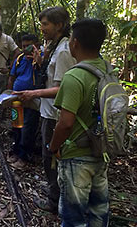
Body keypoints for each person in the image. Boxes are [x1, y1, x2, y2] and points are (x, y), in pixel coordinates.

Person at [16, 7, 76, 213]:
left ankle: (54, 200)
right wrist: (42, 61)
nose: (41, 28)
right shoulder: (54, 47)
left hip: (56, 115)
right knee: (49, 156)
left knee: (51, 156)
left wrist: (34, 94)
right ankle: (54, 190)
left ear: (59, 25)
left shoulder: (64, 50)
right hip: (48, 110)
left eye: (45, 24)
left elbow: (63, 88)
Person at [49, 18, 109, 226]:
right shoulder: (107, 69)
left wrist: (54, 146)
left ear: (75, 43)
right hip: (101, 149)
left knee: (73, 216)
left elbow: (65, 123)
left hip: (77, 155)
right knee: (99, 210)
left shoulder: (75, 76)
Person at [7, 34, 41, 168]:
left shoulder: (41, 58)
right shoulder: (19, 59)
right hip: (16, 99)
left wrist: (39, 62)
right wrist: (8, 95)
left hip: (32, 99)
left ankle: (24, 156)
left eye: (29, 46)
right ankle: (16, 151)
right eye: (23, 46)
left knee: (28, 127)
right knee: (17, 125)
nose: (26, 49)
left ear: (36, 45)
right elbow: (12, 77)